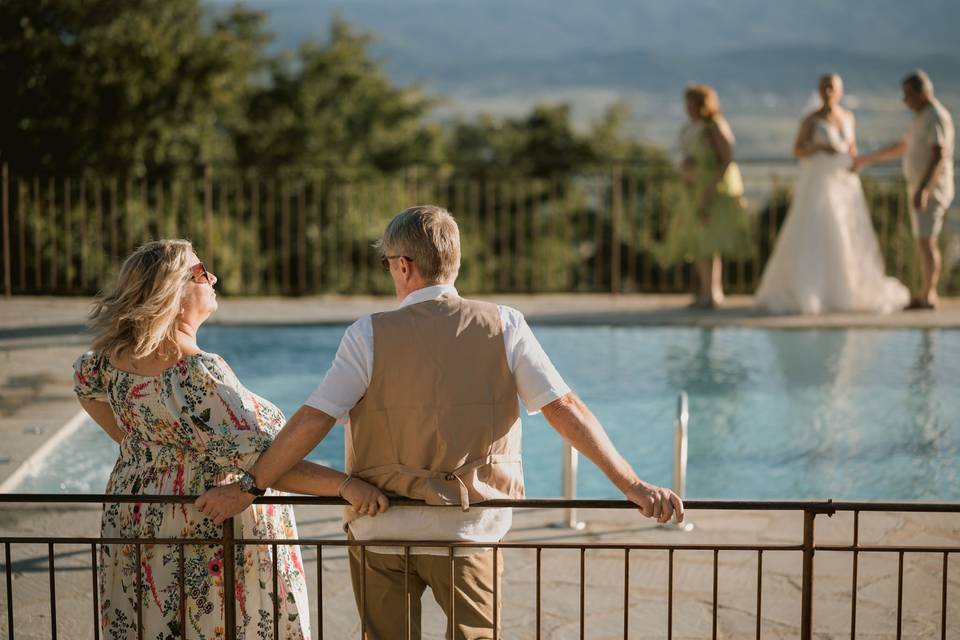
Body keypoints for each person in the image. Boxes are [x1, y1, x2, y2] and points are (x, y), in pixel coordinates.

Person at [197, 206, 684, 640]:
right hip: (468, 531)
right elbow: (565, 409)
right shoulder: (505, 325)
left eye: (388, 263)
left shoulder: (367, 334)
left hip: (381, 527)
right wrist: (633, 485)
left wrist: (250, 485)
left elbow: (313, 420)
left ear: (404, 266)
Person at [73, 239, 387, 640]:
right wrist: (345, 485)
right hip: (205, 530)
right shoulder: (196, 374)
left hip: (137, 515)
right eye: (203, 272)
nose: (214, 278)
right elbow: (269, 463)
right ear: (176, 290)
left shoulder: (111, 358)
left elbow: (85, 385)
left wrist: (143, 446)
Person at [754, 73, 910, 314]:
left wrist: (854, 166)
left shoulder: (848, 117)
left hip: (844, 184)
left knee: (845, 235)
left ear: (840, 92)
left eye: (831, 88)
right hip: (819, 183)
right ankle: (812, 290)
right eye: (823, 87)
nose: (827, 92)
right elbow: (797, 150)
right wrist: (817, 147)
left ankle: (844, 291)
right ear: (818, 91)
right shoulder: (811, 120)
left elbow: (852, 149)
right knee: (816, 233)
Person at [853, 70, 955, 309]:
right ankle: (926, 291)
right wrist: (866, 160)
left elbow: (939, 154)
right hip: (920, 187)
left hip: (931, 189)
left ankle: (928, 294)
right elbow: (902, 146)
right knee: (923, 241)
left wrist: (925, 188)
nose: (904, 100)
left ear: (922, 92)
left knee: (927, 241)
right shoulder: (921, 116)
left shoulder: (936, 116)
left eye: (908, 95)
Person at [659, 84, 753, 308]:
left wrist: (710, 190)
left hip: (712, 191)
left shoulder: (715, 126)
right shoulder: (691, 126)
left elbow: (726, 159)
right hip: (691, 191)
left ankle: (713, 292)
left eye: (691, 103)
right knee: (698, 242)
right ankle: (705, 291)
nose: (688, 108)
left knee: (710, 241)